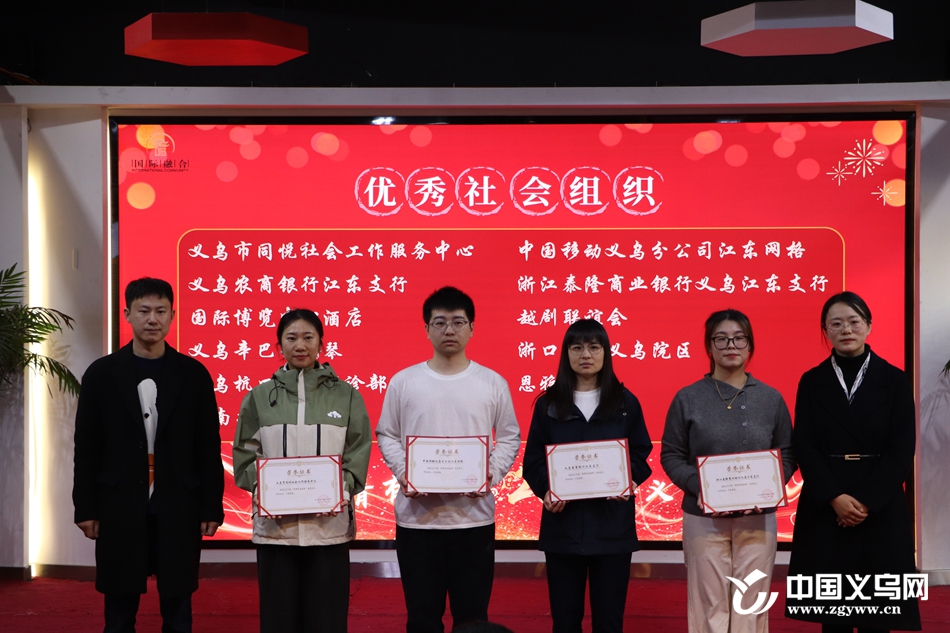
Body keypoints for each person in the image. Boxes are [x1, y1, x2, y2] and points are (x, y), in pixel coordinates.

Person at [72, 277, 225, 633]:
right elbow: (88, 447)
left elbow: (207, 446)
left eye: (160, 311)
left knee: (178, 612)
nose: (152, 319)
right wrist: (86, 508)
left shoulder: (193, 375)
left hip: (179, 507)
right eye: (144, 311)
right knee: (119, 612)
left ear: (173, 315)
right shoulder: (101, 374)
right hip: (119, 506)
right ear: (127, 314)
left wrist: (210, 506)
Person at [376, 286, 521, 633]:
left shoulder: (492, 382)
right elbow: (387, 434)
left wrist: (488, 474)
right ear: (427, 329)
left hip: (474, 521)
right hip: (417, 523)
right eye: (439, 322)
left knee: (472, 618)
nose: (449, 330)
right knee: (422, 619)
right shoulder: (404, 382)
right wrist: (405, 473)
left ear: (472, 328)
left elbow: (509, 436)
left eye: (458, 322)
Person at [786, 292, 921, 632]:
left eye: (853, 321)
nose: (846, 329)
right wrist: (835, 498)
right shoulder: (811, 381)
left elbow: (902, 448)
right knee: (834, 615)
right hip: (827, 503)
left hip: (880, 504)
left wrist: (865, 502)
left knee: (878, 612)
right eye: (836, 324)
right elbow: (805, 445)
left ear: (869, 326)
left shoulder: (894, 379)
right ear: (825, 331)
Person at [232, 308, 371, 633]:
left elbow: (358, 450)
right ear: (279, 344)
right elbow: (245, 454)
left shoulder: (347, 395)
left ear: (321, 343)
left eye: (308, 337)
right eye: (291, 338)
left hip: (329, 530)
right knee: (279, 622)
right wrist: (264, 489)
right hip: (276, 532)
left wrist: (341, 489)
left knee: (327, 622)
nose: (300, 345)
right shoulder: (259, 397)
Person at [661, 309, 795, 633]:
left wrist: (770, 488)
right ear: (709, 347)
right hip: (703, 517)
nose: (730, 346)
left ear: (750, 345)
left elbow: (788, 453)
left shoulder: (771, 398)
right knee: (710, 606)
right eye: (721, 339)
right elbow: (672, 455)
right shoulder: (688, 398)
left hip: (758, 518)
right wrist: (700, 487)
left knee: (751, 603)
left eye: (739, 338)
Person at [522, 319, 653, 633]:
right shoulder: (548, 404)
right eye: (577, 347)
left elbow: (640, 453)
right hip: (563, 530)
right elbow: (533, 461)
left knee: (609, 622)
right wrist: (546, 490)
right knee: (565, 621)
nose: (586, 354)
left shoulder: (625, 402)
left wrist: (629, 479)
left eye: (594, 347)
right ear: (566, 353)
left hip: (612, 531)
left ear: (606, 353)